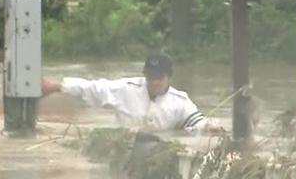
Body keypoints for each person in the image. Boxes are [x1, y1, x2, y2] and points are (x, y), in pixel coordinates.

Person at [41, 52, 224, 134]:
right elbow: (92, 89)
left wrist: (209, 126)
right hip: (125, 146)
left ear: (169, 77)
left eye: (158, 78)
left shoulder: (180, 102)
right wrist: (58, 86)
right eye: (150, 77)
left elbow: (196, 122)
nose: (153, 82)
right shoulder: (126, 89)